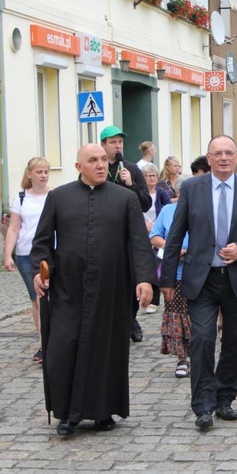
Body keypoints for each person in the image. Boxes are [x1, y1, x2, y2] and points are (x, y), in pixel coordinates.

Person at [31, 143, 156, 437]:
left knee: (106, 348)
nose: (101, 165)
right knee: (62, 348)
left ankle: (102, 412)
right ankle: (66, 413)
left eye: (103, 159)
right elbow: (42, 243)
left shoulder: (125, 199)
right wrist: (42, 269)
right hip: (67, 288)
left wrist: (144, 278)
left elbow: (138, 242)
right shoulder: (59, 198)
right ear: (79, 167)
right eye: (93, 160)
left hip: (112, 287)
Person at [160, 135, 237, 430]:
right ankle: (202, 405)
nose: (223, 158)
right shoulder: (191, 188)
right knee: (202, 339)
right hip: (202, 279)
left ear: (236, 157)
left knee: (235, 344)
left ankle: (224, 397)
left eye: (228, 153)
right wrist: (166, 278)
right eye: (217, 153)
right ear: (208, 158)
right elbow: (175, 234)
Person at [100, 125, 152, 342]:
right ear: (103, 145)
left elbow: (146, 204)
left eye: (120, 141)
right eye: (113, 142)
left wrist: (130, 184)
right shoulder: (96, 168)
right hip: (103, 234)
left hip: (128, 233)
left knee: (131, 280)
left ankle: (130, 318)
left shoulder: (131, 169)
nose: (117, 145)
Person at [3, 157, 51, 363]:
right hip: (26, 254)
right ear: (29, 174)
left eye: (46, 171)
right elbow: (14, 228)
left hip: (49, 253)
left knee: (49, 298)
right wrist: (8, 254)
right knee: (37, 299)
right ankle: (44, 344)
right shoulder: (21, 198)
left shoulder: (55, 195)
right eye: (39, 172)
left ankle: (51, 342)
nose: (43, 175)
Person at [150, 203, 191, 378]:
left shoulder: (204, 207)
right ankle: (183, 358)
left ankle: (200, 356)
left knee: (199, 317)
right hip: (174, 274)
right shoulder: (168, 210)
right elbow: (154, 236)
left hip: (200, 272)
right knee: (177, 316)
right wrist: (173, 247)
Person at [142, 164, 172, 314]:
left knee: (156, 263)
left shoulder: (162, 193)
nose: (151, 178)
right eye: (148, 175)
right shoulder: (140, 194)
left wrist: (154, 225)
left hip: (158, 232)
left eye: (153, 175)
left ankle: (154, 300)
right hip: (142, 232)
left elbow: (167, 211)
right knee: (146, 264)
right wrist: (144, 224)